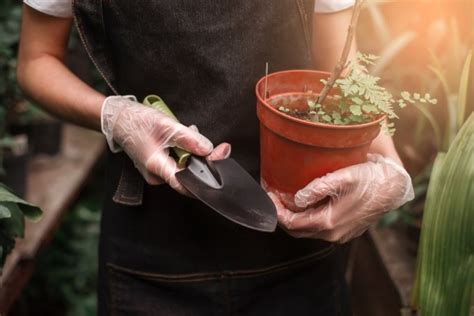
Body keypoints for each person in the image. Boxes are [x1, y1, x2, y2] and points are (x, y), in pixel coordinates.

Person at [17, 0, 414, 315]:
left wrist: (389, 168)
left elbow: (341, 72)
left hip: (297, 254)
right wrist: (117, 117)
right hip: (151, 257)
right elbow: (37, 62)